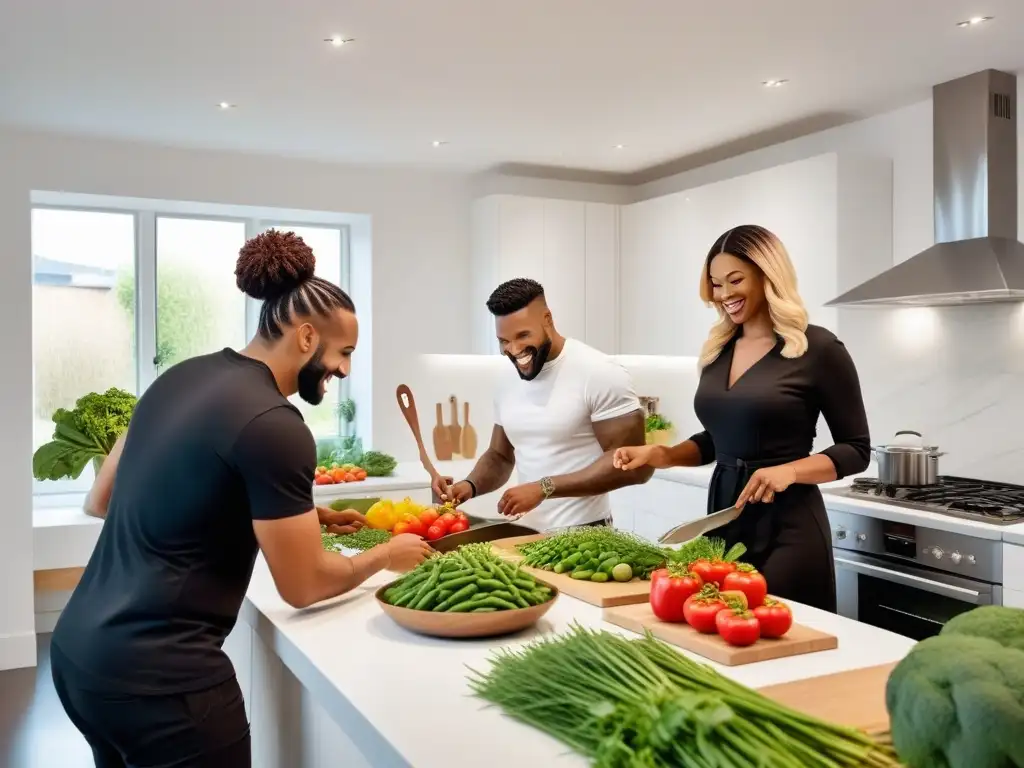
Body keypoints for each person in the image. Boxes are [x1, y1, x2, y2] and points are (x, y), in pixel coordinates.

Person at [49, 230, 432, 768]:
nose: (345, 369)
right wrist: (385, 556)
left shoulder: (178, 377)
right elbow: (303, 586)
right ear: (305, 337)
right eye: (344, 352)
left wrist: (296, 513)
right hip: (165, 685)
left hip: (79, 659)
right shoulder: (277, 424)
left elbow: (104, 497)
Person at [613, 225, 870, 612]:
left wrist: (789, 471)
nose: (724, 295)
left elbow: (857, 450)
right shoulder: (719, 351)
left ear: (769, 276)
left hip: (790, 525)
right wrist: (660, 455)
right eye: (716, 284)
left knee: (783, 642)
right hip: (723, 523)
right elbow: (719, 440)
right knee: (725, 640)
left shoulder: (819, 349)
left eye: (735, 280)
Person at [434, 278, 654, 530]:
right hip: (527, 535)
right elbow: (500, 456)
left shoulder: (599, 372)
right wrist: (468, 486)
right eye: (504, 341)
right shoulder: (507, 378)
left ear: (548, 319)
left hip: (586, 536)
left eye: (523, 335)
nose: (514, 349)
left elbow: (636, 467)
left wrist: (544, 487)